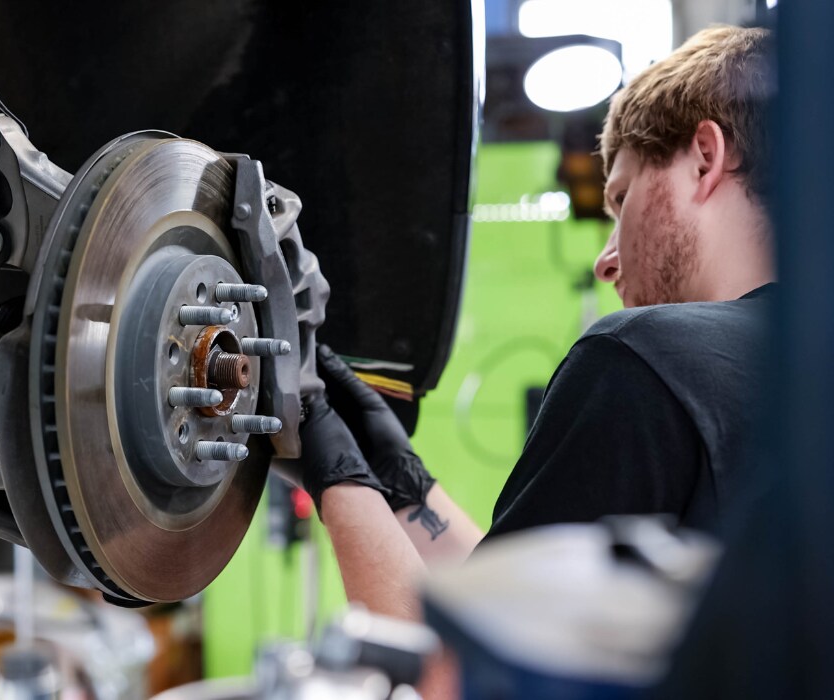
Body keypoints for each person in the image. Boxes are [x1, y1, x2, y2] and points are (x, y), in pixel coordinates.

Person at [293, 23, 776, 655]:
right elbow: (521, 605)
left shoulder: (646, 361)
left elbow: (465, 676)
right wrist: (400, 485)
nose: (607, 261)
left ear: (705, 159)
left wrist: (335, 479)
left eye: (622, 197)